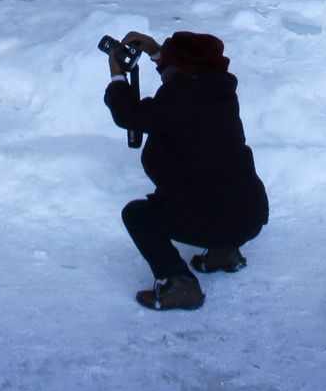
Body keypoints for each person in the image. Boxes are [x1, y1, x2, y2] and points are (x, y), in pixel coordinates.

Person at [104, 28, 269, 311]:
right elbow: (185, 73)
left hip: (215, 219)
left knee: (136, 215)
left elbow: (128, 115)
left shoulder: (179, 100)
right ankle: (225, 254)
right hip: (250, 215)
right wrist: (156, 50)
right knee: (215, 184)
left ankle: (179, 284)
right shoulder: (221, 92)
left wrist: (117, 75)